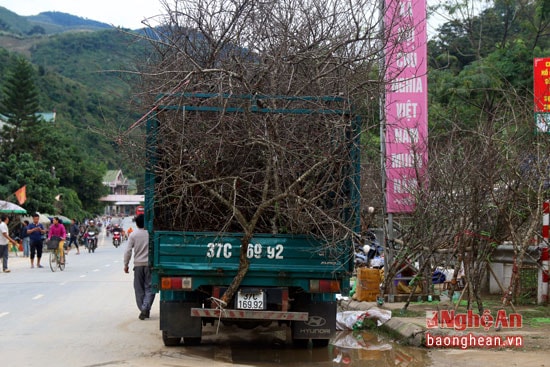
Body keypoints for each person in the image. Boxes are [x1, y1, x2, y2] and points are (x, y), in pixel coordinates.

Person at [124, 214, 155, 320]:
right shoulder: (151, 234)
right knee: (150, 288)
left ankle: (143, 308)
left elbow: (128, 251)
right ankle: (145, 308)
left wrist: (126, 264)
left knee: (138, 289)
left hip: (138, 266)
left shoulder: (133, 235)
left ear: (136, 224)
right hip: (149, 265)